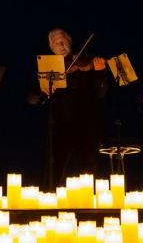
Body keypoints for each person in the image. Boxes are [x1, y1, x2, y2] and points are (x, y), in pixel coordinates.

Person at [29, 28, 109, 189]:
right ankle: (48, 201)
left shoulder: (86, 61)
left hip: (86, 124)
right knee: (54, 167)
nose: (61, 44)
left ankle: (86, 206)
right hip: (59, 125)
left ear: (70, 42)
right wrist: (40, 92)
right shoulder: (46, 66)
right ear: (51, 47)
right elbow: (31, 98)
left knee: (86, 168)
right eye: (56, 42)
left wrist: (100, 73)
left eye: (63, 40)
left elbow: (101, 93)